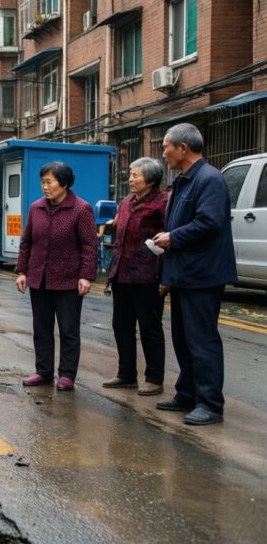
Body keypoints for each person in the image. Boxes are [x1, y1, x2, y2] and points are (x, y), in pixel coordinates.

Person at [154, 123, 236, 425]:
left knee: (202, 340)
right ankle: (187, 393)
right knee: (183, 339)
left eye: (166, 147)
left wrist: (172, 237)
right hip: (183, 274)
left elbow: (209, 223)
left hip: (203, 275)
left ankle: (210, 403)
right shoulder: (183, 181)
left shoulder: (209, 179)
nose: (164, 153)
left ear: (183, 148)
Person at [15, 162, 98, 392]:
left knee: (68, 329)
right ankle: (43, 371)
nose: (44, 186)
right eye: (42, 182)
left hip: (68, 280)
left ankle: (67, 375)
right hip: (39, 278)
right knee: (41, 328)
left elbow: (89, 245)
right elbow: (27, 242)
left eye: (49, 182)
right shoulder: (36, 208)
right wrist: (22, 271)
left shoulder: (80, 209)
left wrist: (86, 276)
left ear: (64, 183)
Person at [102, 158, 169, 397]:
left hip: (148, 276)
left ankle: (154, 379)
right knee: (121, 326)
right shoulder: (126, 202)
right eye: (130, 175)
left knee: (150, 327)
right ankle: (126, 374)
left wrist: (166, 276)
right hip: (122, 274)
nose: (130, 179)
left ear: (150, 179)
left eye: (135, 175)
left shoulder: (163, 203)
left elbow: (170, 239)